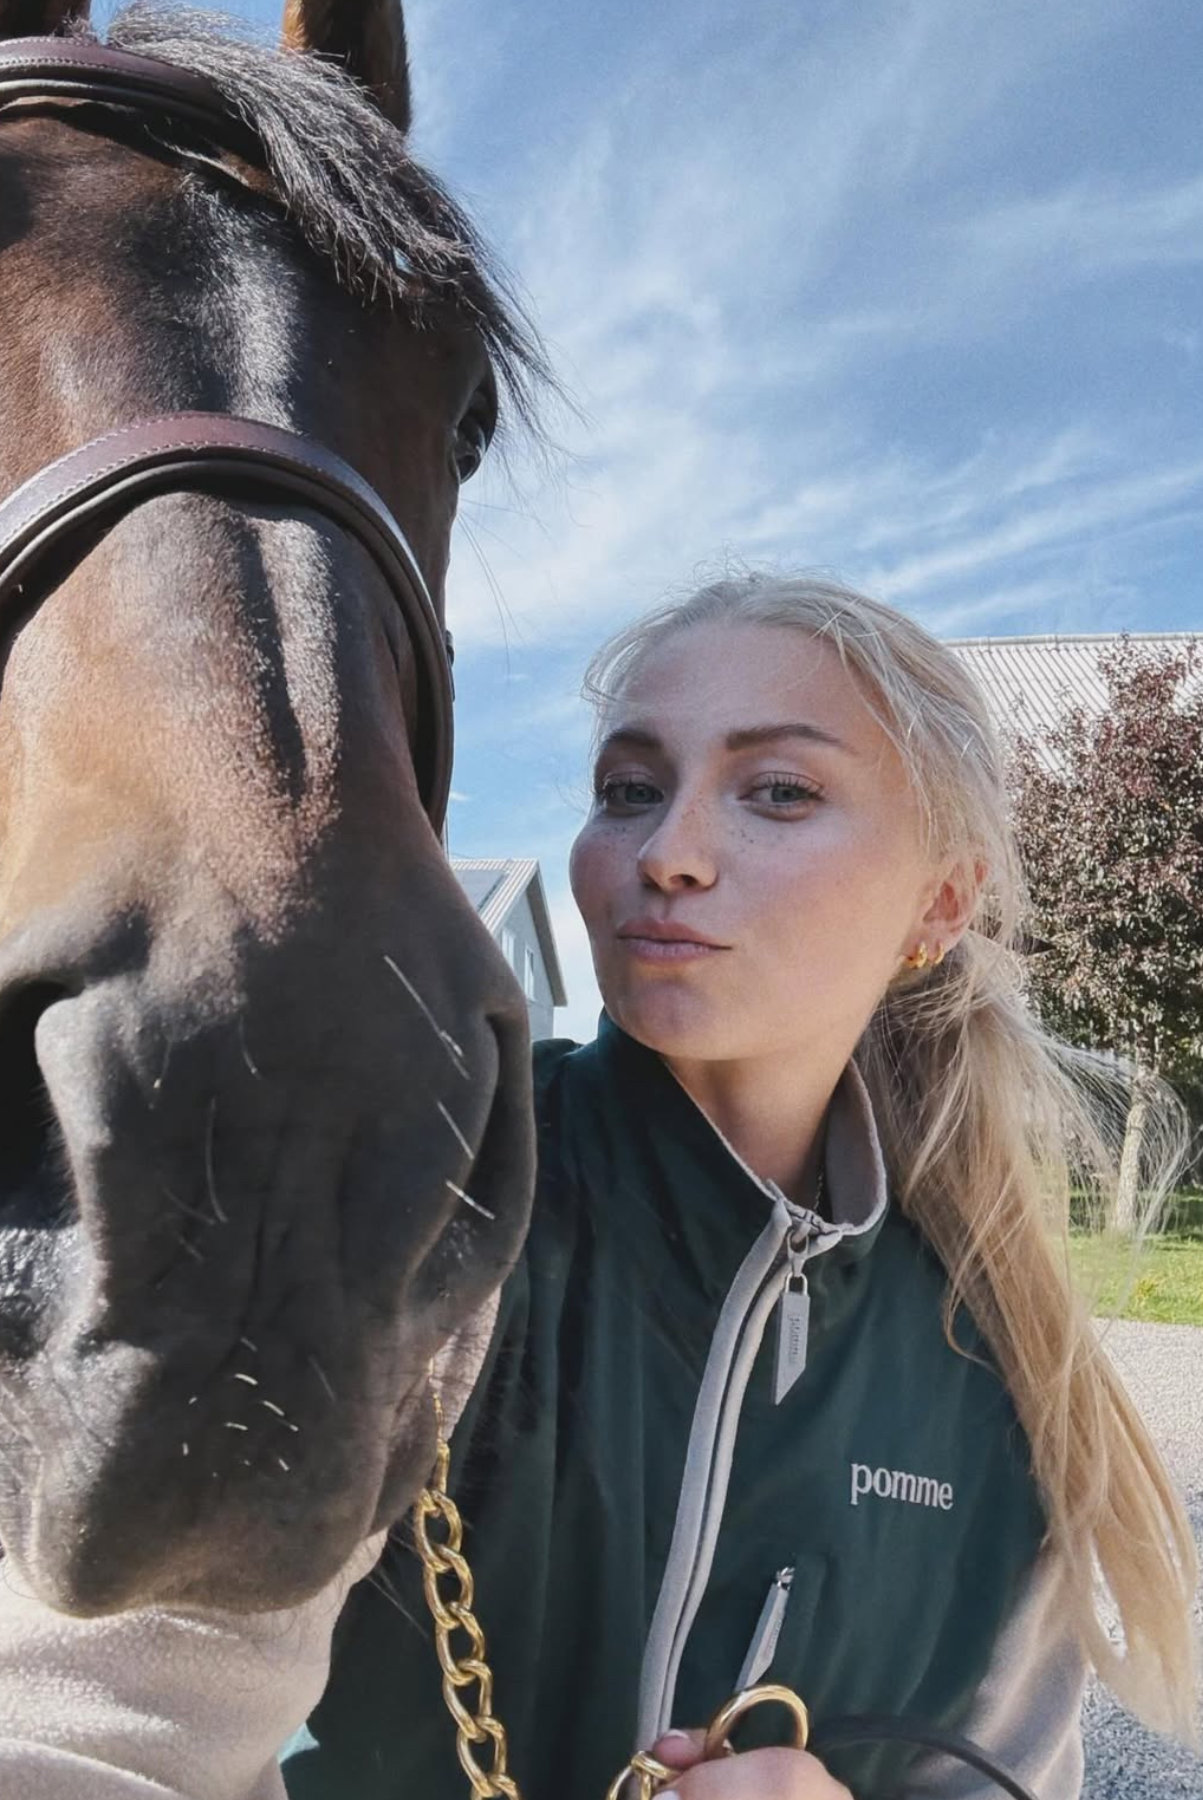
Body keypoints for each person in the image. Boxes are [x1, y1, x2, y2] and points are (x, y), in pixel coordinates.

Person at [0, 575, 1195, 1800]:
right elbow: (97, 1726)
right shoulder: (425, 1198)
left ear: (940, 899)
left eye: (779, 792)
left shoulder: (1003, 1372)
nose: (667, 855)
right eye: (630, 790)